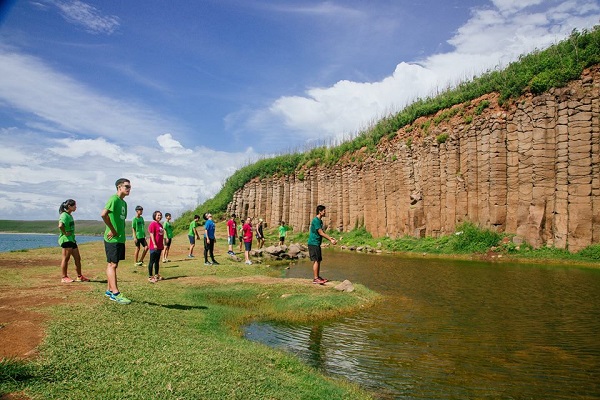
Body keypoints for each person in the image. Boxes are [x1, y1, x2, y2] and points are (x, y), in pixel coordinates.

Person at [101, 178, 132, 304]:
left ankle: (109, 290)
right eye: (126, 186)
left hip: (120, 238)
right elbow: (103, 214)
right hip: (112, 238)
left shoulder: (124, 203)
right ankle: (115, 293)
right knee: (112, 264)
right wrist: (112, 229)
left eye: (130, 187)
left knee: (114, 264)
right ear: (119, 187)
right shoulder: (113, 199)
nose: (129, 189)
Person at [57, 199, 89, 283]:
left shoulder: (69, 215)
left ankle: (79, 276)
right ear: (69, 206)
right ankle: (64, 277)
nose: (76, 207)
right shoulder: (64, 215)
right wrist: (65, 233)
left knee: (77, 258)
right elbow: (60, 226)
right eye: (74, 205)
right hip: (66, 240)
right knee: (66, 258)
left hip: (72, 240)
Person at [308, 205, 337, 285]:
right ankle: (315, 278)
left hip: (316, 243)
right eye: (324, 211)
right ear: (320, 212)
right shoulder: (316, 220)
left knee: (318, 260)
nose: (325, 212)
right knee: (316, 261)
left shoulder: (320, 221)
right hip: (313, 243)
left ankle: (318, 276)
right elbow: (320, 233)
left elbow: (321, 233)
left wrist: (329, 237)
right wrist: (330, 239)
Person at [147, 210, 165, 283]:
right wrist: (154, 244)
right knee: (152, 261)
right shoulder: (152, 224)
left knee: (157, 261)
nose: (159, 216)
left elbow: (161, 234)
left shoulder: (160, 225)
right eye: (158, 215)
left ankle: (156, 274)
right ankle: (150, 276)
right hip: (153, 246)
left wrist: (162, 243)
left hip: (159, 246)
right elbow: (151, 235)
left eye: (160, 215)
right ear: (154, 216)